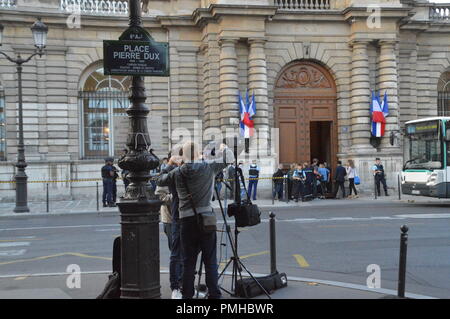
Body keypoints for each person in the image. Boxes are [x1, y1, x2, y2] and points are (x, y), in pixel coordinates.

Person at [157, 141, 234, 299]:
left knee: (188, 262)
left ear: (183, 155)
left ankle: (187, 295)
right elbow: (229, 158)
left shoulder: (177, 172)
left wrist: (169, 163)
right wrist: (223, 147)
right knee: (210, 260)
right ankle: (214, 294)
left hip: (185, 220)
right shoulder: (208, 167)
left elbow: (159, 180)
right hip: (206, 218)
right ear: (198, 153)